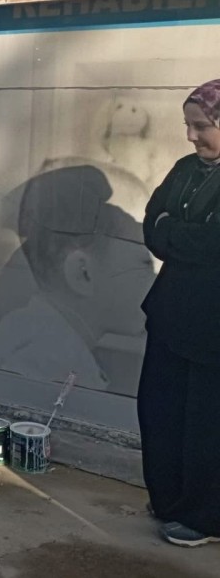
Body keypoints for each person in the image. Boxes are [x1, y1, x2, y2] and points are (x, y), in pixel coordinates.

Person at [0, 163, 153, 393]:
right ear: (83, 274)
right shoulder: (45, 363)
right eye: (144, 265)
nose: (156, 283)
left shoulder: (36, 335)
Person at [138, 78, 220, 548]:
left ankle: (205, 515)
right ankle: (169, 499)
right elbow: (153, 225)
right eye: (187, 125)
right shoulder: (186, 169)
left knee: (207, 421)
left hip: (213, 327)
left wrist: (177, 232)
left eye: (201, 126)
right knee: (160, 409)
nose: (191, 136)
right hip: (171, 315)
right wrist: (188, 234)